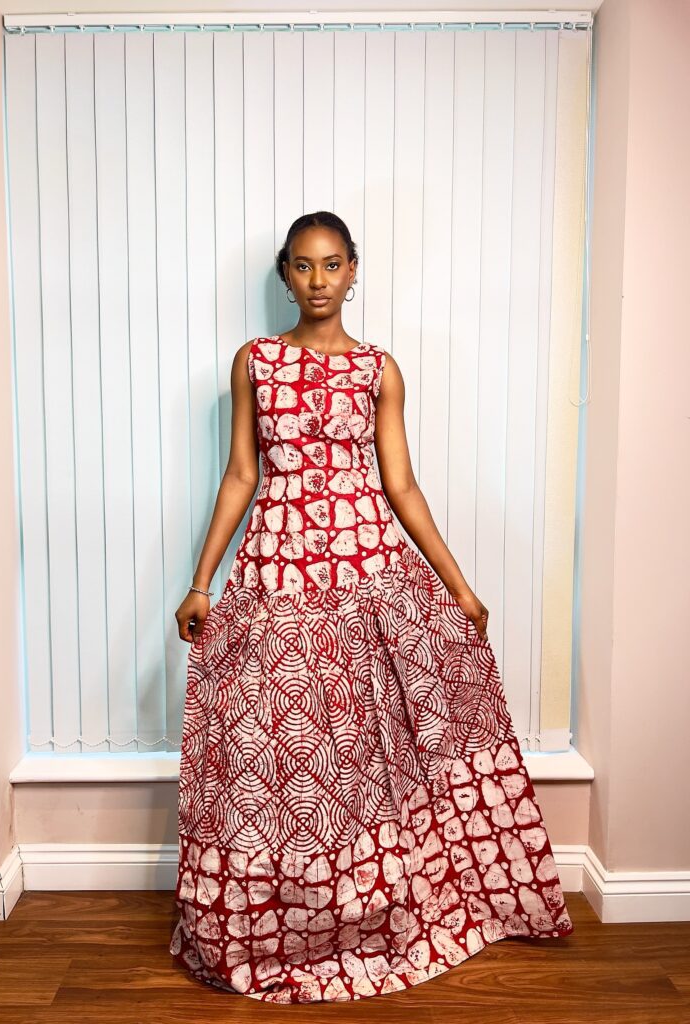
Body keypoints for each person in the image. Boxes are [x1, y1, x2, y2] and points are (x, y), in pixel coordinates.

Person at [170, 211, 574, 1003]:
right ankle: (274, 920)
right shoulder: (255, 362)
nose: (317, 281)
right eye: (301, 266)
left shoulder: (378, 371)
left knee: (359, 753)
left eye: (332, 265)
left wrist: (457, 585)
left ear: (355, 270)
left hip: (365, 577)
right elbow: (241, 476)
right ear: (284, 274)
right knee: (277, 755)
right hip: (277, 577)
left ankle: (366, 911)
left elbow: (402, 485)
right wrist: (200, 580)